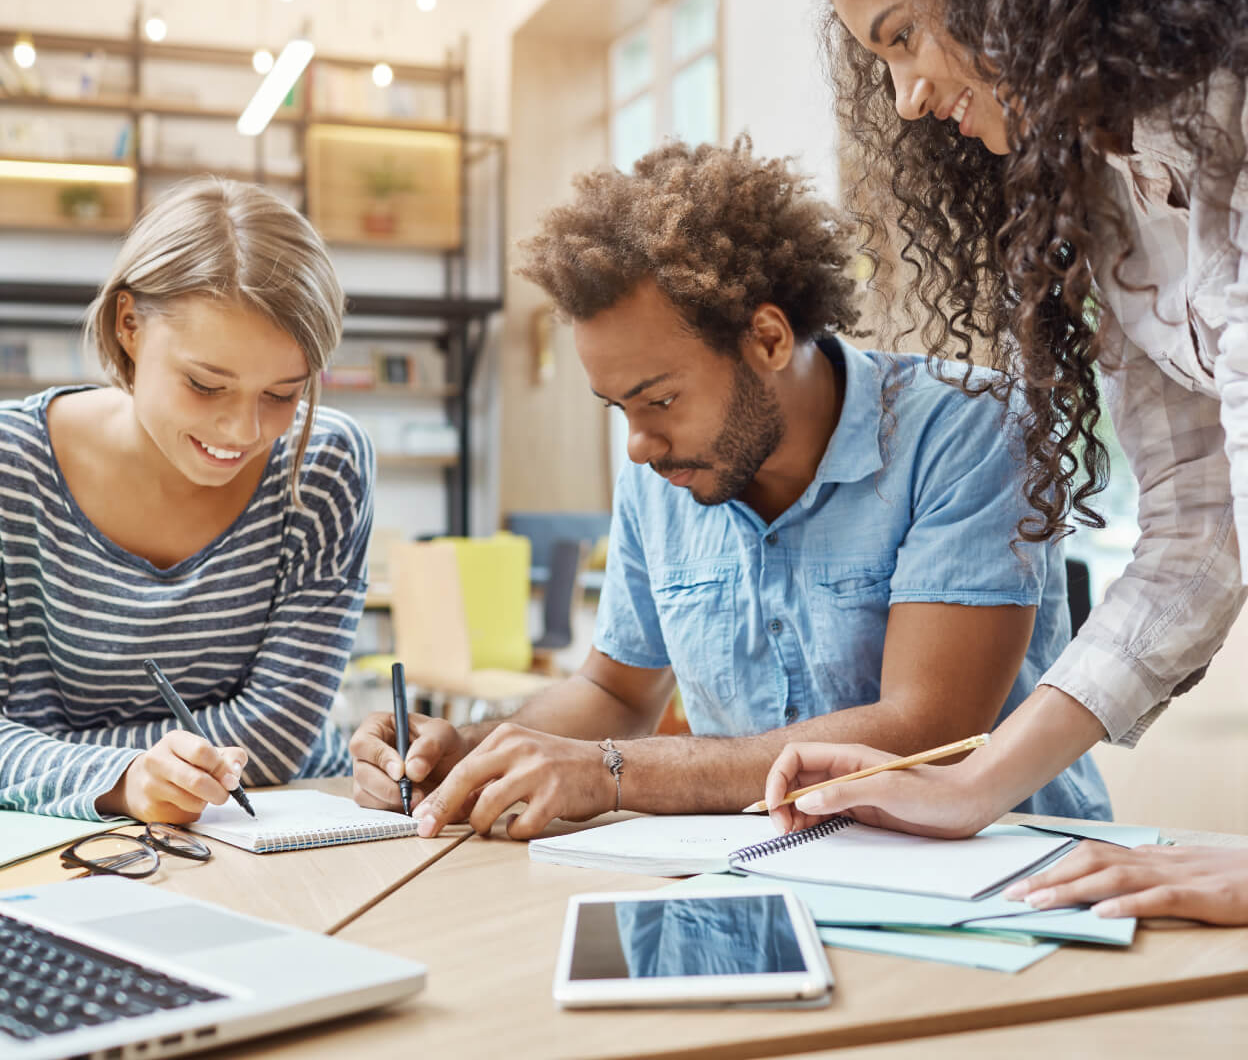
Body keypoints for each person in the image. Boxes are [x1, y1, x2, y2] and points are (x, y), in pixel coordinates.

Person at [349, 138, 1110, 838]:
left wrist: (614, 774)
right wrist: (475, 752)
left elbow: (928, 734)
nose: (639, 445)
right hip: (766, 866)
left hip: (999, 871)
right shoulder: (661, 476)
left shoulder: (967, 429)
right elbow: (617, 693)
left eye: (661, 399)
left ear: (769, 338)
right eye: (619, 408)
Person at [769, 0, 1248, 922]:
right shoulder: (1111, 197)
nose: (904, 98)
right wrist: (975, 782)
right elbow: (1196, 532)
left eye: (903, 36)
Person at [0, 177, 373, 824]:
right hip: (71, 848)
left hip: (292, 824)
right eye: (205, 385)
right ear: (130, 325)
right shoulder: (13, 467)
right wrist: (124, 780)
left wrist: (59, 758)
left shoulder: (323, 466)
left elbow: (280, 735)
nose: (243, 432)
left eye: (282, 394)